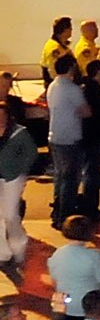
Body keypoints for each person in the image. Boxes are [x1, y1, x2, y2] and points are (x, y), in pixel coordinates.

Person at [42, 215, 100, 320]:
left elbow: (55, 282)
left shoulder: (57, 254)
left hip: (66, 310)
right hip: (90, 310)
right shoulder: (94, 255)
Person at [41, 62, 86, 230]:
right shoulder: (73, 89)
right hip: (70, 137)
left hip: (55, 135)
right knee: (71, 178)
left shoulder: (53, 86)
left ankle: (57, 212)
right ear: (70, 69)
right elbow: (85, 111)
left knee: (60, 177)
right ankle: (65, 216)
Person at [0, 107, 32, 273]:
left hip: (13, 178)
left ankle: (18, 248)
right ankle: (2, 254)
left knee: (11, 215)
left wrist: (19, 170)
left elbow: (31, 154)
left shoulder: (19, 133)